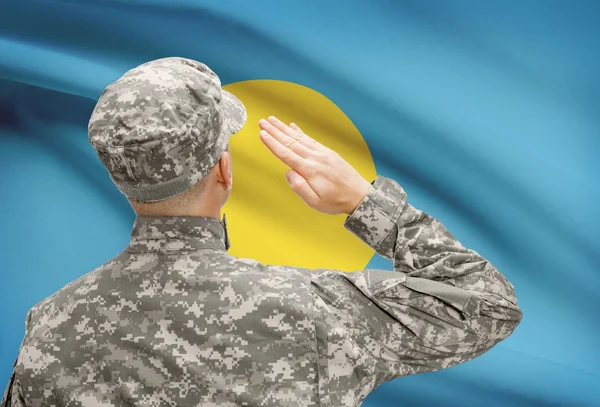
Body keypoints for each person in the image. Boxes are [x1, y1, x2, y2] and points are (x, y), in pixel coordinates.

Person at [1, 57, 523, 407]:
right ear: (224, 169)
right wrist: (366, 203)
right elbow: (487, 304)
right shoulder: (317, 310)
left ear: (121, 176)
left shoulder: (50, 326)